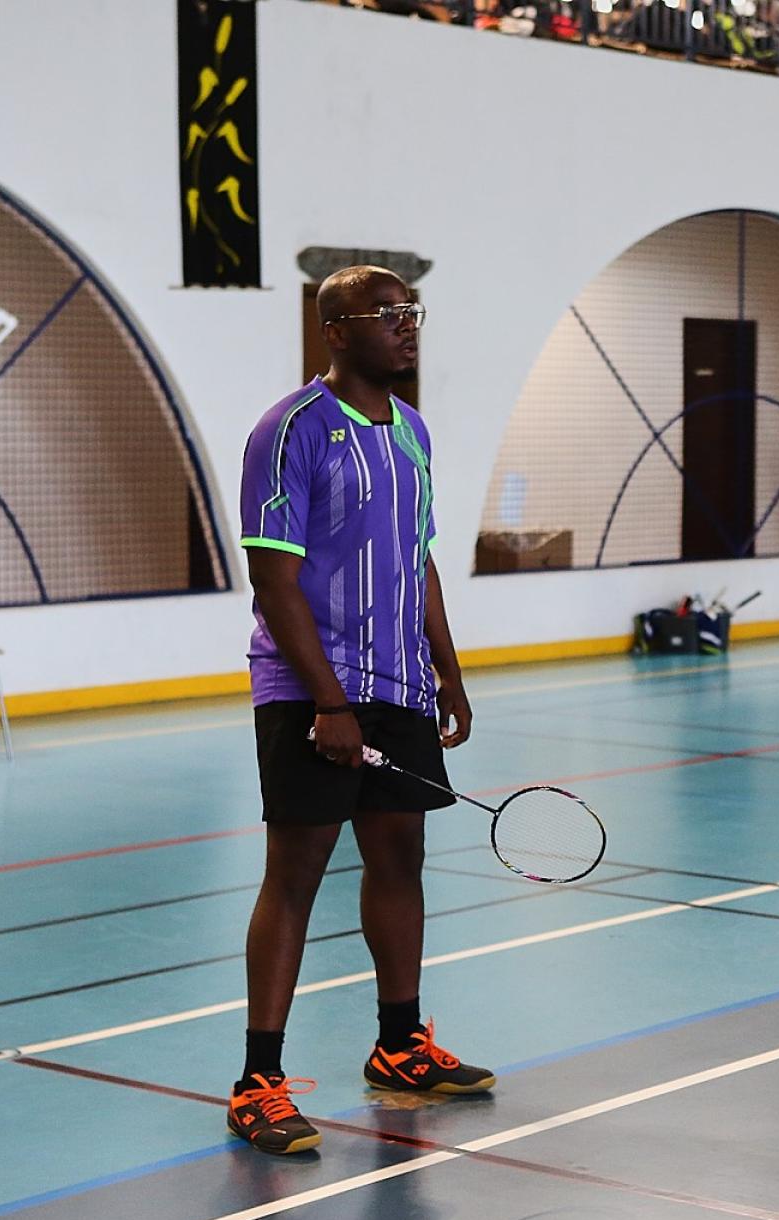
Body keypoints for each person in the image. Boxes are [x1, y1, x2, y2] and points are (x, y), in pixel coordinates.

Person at [228, 265, 491, 1155]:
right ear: (335, 330)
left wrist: (448, 671)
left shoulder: (412, 431)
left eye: (411, 310)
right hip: (312, 690)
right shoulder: (289, 430)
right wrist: (329, 702)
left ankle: (400, 1045)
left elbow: (420, 560)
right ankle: (258, 1081)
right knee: (296, 873)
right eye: (386, 314)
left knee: (400, 857)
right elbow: (274, 578)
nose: (406, 325)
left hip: (401, 685)